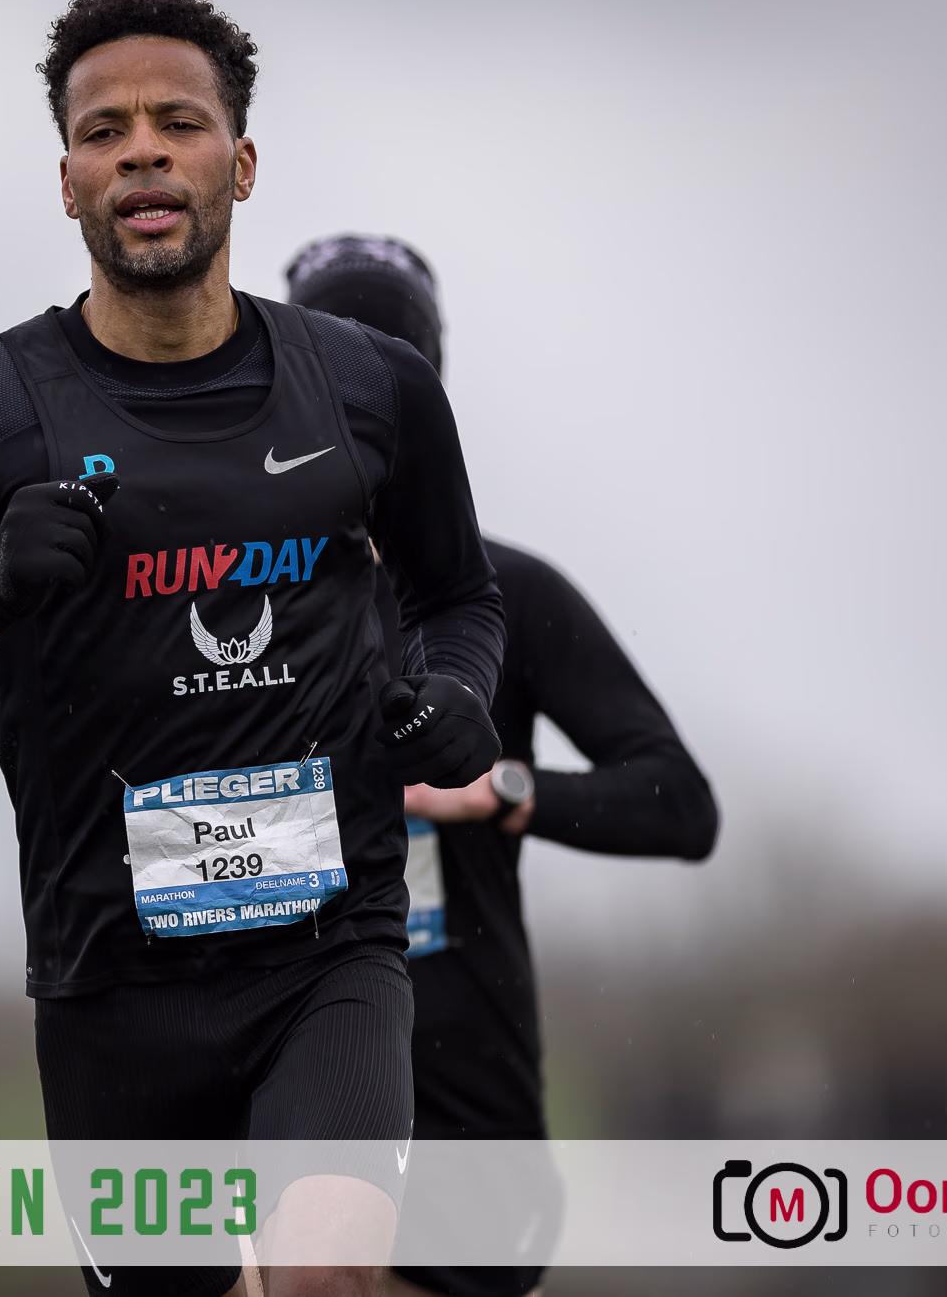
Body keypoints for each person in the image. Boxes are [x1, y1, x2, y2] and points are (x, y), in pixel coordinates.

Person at [0, 0, 508, 1297]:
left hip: (327, 957)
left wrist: (456, 692)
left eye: (178, 122)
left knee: (325, 1275)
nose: (143, 152)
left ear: (241, 163)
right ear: (68, 184)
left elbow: (461, 599)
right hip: (111, 989)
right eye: (104, 132)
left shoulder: (367, 388)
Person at [286, 235, 720, 1297]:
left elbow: (679, 804)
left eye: (387, 381)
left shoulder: (505, 597)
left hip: (464, 1114)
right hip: (276, 1088)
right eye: (331, 379)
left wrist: (503, 792)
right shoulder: (233, 599)